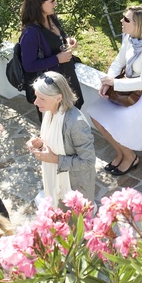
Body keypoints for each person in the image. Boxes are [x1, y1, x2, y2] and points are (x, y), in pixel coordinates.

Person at [90, 6, 142, 176]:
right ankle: (122, 152)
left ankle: (129, 156)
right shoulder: (131, 38)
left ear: (139, 25)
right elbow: (119, 61)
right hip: (131, 89)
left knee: (119, 120)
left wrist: (114, 83)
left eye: (126, 19)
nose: (122, 21)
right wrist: (109, 80)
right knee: (96, 113)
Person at [27, 72, 96, 202]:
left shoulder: (76, 123)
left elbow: (88, 161)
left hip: (74, 187)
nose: (36, 102)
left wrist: (55, 159)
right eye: (36, 97)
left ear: (58, 98)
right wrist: (41, 144)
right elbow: (56, 141)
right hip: (55, 179)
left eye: (41, 99)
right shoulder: (48, 111)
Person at [18, 0, 84, 116]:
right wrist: (57, 59)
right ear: (39, 4)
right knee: (57, 119)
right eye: (52, 1)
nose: (56, 4)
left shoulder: (51, 17)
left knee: (74, 109)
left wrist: (68, 39)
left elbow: (60, 36)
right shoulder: (30, 33)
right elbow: (29, 65)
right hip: (51, 85)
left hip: (66, 75)